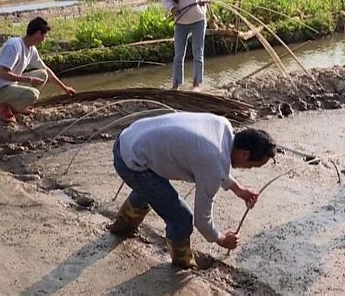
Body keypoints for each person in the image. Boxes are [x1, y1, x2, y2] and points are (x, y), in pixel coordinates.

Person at [108, 112, 277, 269]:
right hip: (130, 161)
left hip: (129, 138)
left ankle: (122, 227)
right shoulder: (213, 161)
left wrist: (238, 189)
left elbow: (215, 165)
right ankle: (182, 265)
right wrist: (221, 238)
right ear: (245, 155)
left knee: (153, 190)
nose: (251, 169)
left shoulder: (222, 126)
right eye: (254, 166)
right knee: (181, 218)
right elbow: (201, 220)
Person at [0, 16, 76, 123]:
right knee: (33, 94)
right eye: (44, 35)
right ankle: (3, 105)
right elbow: (2, 74)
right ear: (38, 33)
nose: (44, 38)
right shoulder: (14, 46)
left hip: (11, 85)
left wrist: (65, 88)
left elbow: (46, 70)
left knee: (43, 74)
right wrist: (29, 79)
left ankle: (14, 105)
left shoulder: (31, 49)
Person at [160, 0, 209, 92]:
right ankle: (176, 84)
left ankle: (196, 84)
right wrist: (172, 8)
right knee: (178, 54)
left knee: (197, 52)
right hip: (181, 19)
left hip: (198, 18)